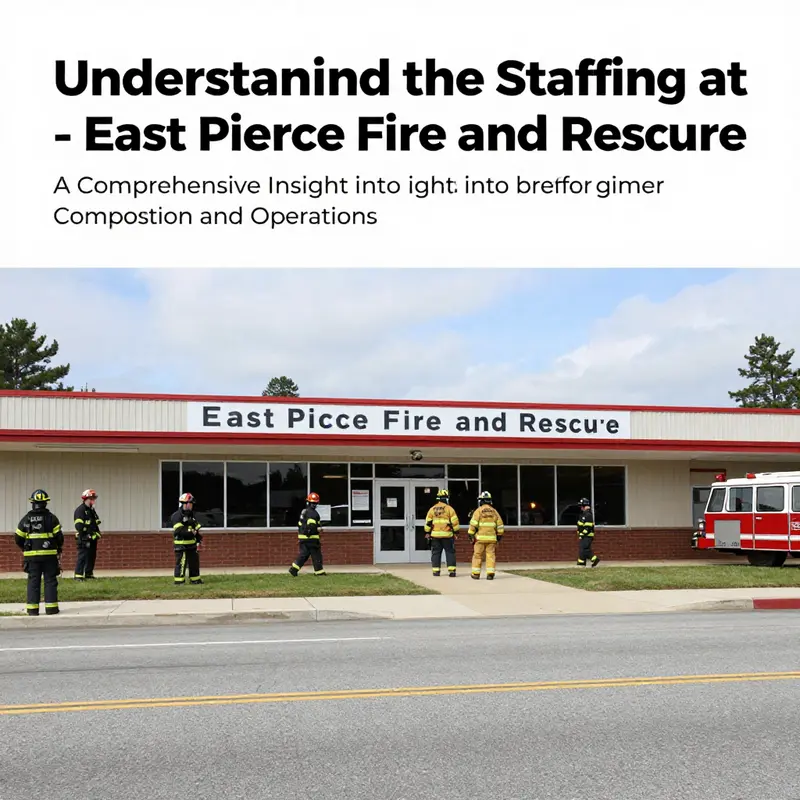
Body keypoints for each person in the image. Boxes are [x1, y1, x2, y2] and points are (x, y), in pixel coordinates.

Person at [14, 489, 64, 616]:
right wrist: (57, 548)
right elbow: (60, 538)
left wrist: (25, 548)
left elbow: (18, 538)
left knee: (33, 582)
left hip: (32, 558)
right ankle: (51, 609)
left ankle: (32, 610)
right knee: (50, 581)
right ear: (45, 503)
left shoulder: (26, 519)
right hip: (49, 557)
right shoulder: (52, 518)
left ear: (33, 503)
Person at [468, 491, 504, 580]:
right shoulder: (494, 511)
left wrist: (471, 534)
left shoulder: (478, 511)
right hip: (492, 539)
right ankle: (490, 573)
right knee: (490, 555)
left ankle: (476, 574)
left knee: (477, 555)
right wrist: (499, 536)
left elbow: (473, 524)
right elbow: (500, 525)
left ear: (481, 501)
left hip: (480, 539)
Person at [424, 488, 460, 577]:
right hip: (447, 535)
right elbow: (455, 522)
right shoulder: (449, 509)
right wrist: (456, 532)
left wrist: (427, 532)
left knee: (436, 553)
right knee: (450, 552)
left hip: (435, 536)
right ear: (446, 498)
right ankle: (452, 571)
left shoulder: (432, 509)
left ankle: (436, 571)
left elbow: (428, 522)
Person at [289, 492, 327, 576]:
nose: (315, 504)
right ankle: (319, 572)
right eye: (315, 503)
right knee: (316, 555)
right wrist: (318, 529)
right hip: (312, 538)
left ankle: (294, 569)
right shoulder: (313, 513)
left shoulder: (304, 512)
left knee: (304, 555)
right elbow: (312, 527)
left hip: (302, 538)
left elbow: (300, 525)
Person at [170, 492, 204, 585]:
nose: (191, 506)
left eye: (191, 504)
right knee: (181, 563)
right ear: (183, 504)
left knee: (194, 563)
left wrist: (198, 539)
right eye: (189, 504)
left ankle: (195, 580)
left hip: (192, 545)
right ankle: (179, 581)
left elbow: (196, 529)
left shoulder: (191, 515)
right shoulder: (177, 516)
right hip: (181, 545)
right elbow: (179, 530)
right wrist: (190, 531)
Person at [74, 488, 102, 580]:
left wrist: (97, 533)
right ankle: (78, 575)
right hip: (84, 538)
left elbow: (95, 524)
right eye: (92, 498)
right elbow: (79, 526)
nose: (93, 501)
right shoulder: (80, 510)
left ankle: (89, 574)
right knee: (82, 557)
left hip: (92, 538)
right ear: (86, 499)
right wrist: (86, 534)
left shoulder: (91, 511)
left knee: (91, 556)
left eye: (94, 498)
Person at [576, 497, 600, 567]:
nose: (580, 508)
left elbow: (588, 527)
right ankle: (581, 563)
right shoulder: (584, 514)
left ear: (584, 506)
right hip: (584, 536)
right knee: (582, 549)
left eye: (581, 506)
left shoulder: (588, 515)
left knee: (585, 549)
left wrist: (582, 534)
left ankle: (595, 560)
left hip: (587, 536)